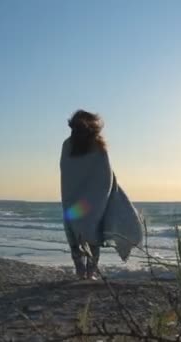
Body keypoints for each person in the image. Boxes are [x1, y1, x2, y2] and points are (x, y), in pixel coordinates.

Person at [60, 110, 143, 280]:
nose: (76, 132)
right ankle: (85, 272)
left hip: (84, 201)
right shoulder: (70, 146)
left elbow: (105, 176)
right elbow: (69, 174)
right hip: (87, 201)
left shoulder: (95, 147)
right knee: (88, 234)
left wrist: (98, 197)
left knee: (82, 234)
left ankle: (85, 272)